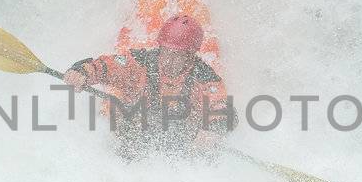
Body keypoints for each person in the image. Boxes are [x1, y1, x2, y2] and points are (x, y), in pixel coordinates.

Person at [63, 15, 235, 156]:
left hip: (180, 145)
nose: (169, 60)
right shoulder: (140, 62)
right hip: (136, 134)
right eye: (166, 52)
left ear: (190, 55)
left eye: (177, 55)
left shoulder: (204, 76)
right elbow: (105, 66)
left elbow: (222, 107)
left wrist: (212, 130)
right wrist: (82, 73)